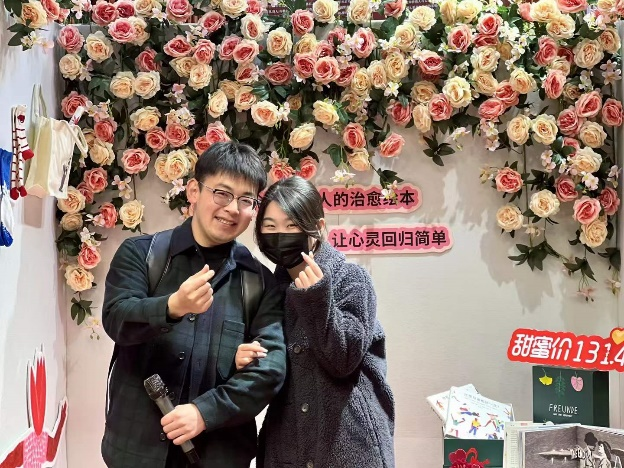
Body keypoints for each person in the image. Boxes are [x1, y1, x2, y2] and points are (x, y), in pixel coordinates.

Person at [101, 142, 287, 468]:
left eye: (246, 200)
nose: (233, 208)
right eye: (222, 193)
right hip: (135, 452)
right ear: (193, 192)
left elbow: (269, 369)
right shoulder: (141, 254)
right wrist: (171, 306)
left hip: (218, 455)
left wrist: (204, 412)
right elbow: (117, 319)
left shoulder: (259, 281)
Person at [235, 176, 395, 468]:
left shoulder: (351, 279)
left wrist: (316, 298)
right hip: (287, 447)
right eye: (270, 227)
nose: (280, 235)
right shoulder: (270, 290)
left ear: (317, 227)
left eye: (291, 225)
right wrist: (248, 359)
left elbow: (342, 360)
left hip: (349, 446)